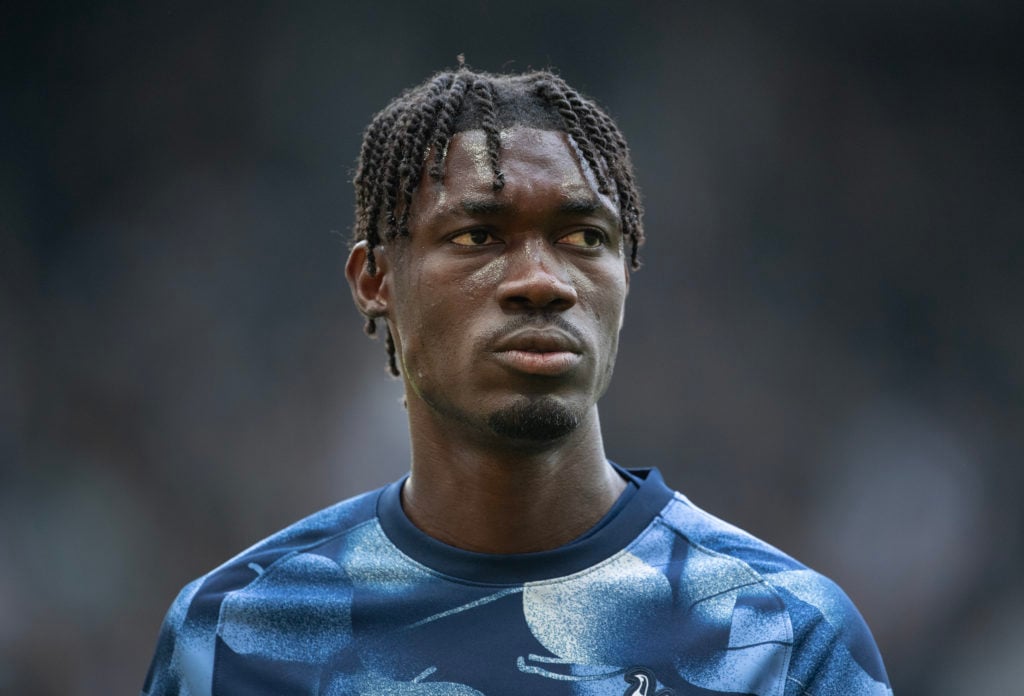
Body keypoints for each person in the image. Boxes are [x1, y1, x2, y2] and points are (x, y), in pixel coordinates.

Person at [142, 65, 892, 696]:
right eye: (478, 236)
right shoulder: (236, 635)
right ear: (375, 280)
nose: (541, 281)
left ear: (625, 279)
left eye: (583, 238)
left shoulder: (782, 637)